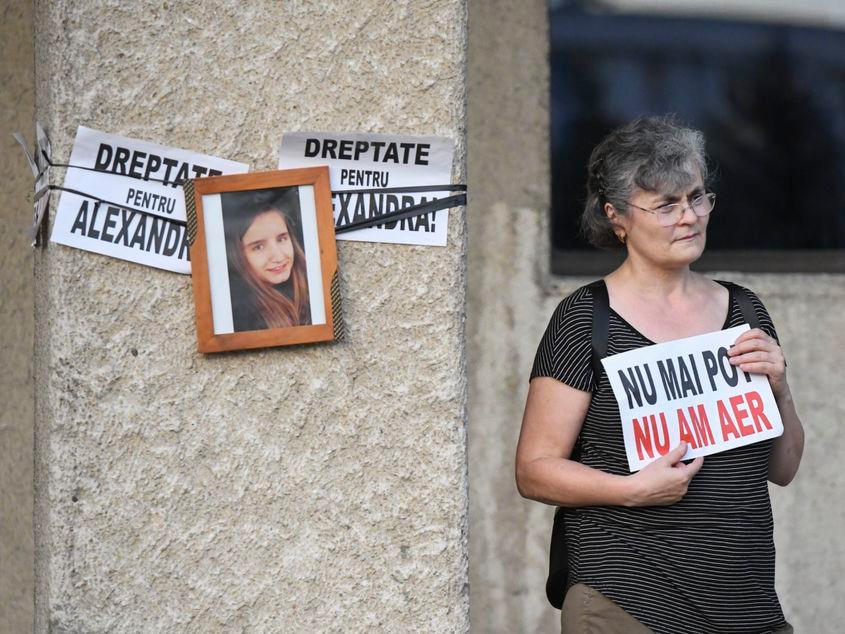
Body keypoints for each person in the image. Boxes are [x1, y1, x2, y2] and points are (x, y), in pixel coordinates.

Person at [515, 116, 804, 633]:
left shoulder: (745, 311)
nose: (689, 217)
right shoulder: (586, 318)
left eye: (697, 197)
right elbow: (534, 470)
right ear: (616, 217)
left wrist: (780, 391)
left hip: (747, 605)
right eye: (666, 205)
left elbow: (781, 468)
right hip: (626, 599)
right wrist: (631, 490)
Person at [224, 194, 311, 332]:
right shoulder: (244, 320)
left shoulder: (313, 286)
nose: (277, 256)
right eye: (258, 247)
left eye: (281, 239)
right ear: (238, 256)